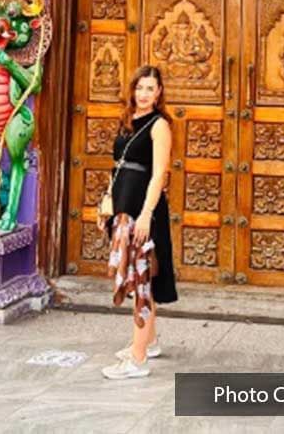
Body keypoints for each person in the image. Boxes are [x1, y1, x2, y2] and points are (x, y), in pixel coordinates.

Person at [100, 64, 177, 379]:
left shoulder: (159, 126)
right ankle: (151, 341)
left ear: (159, 93)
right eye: (139, 87)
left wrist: (145, 214)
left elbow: (159, 173)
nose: (143, 93)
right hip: (122, 206)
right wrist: (106, 201)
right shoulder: (128, 121)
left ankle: (138, 358)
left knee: (142, 282)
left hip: (144, 212)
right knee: (138, 279)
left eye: (150, 88)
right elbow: (116, 167)